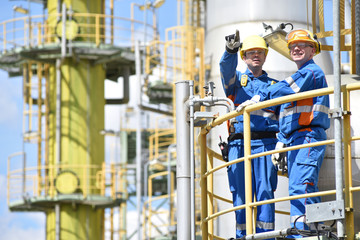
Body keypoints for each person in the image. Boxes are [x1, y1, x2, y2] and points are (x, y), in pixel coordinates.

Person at [237, 29, 330, 233]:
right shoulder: (302, 76)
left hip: (308, 137)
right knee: (299, 187)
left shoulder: (311, 73)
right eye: (292, 47)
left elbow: (283, 89)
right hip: (297, 138)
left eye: (302, 45)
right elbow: (287, 113)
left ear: (312, 50)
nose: (296, 49)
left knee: (301, 186)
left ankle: (306, 232)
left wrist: (259, 97)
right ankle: (306, 230)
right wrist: (281, 140)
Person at [220, 31, 279, 239]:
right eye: (251, 52)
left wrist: (282, 143)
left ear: (265, 56)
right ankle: (241, 236)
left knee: (264, 194)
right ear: (243, 57)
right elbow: (226, 70)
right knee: (240, 197)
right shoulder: (236, 83)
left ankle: (266, 236)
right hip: (238, 145)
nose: (256, 55)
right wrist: (230, 52)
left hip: (266, 144)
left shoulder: (275, 86)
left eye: (260, 52)